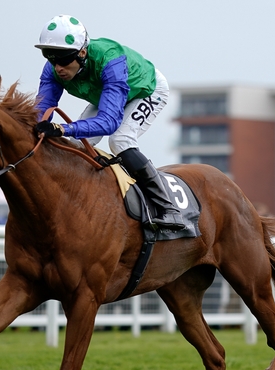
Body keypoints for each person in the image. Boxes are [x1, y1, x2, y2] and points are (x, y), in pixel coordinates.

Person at [33, 14, 184, 230]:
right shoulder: (54, 69)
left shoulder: (109, 59)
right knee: (77, 144)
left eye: (64, 59)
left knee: (120, 140)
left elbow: (108, 122)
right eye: (50, 57)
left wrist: (63, 128)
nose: (58, 67)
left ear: (82, 52)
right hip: (107, 94)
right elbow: (41, 112)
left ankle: (169, 209)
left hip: (146, 90)